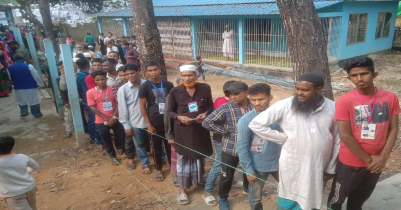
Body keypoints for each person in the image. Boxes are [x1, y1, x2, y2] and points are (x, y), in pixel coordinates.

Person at [249, 72, 340, 210]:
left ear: (318, 89)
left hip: (318, 165)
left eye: (305, 90)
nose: (299, 93)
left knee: (311, 198)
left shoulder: (332, 107)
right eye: (297, 88)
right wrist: (282, 138)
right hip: (292, 164)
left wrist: (331, 167)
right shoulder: (285, 105)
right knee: (289, 197)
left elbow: (338, 138)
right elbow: (255, 124)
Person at [327, 57, 400, 210]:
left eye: (364, 73)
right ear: (349, 78)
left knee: (359, 201)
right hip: (350, 162)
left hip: (377, 162)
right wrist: (369, 160)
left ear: (375, 74)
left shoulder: (390, 97)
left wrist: (383, 157)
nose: (359, 79)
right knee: (336, 200)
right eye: (354, 75)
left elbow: (393, 129)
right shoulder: (345, 101)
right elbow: (345, 135)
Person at [167, 65, 214, 205]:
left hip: (200, 129)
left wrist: (205, 114)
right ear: (180, 77)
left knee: (199, 156)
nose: (187, 78)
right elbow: (170, 112)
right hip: (183, 131)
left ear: (196, 75)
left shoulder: (205, 88)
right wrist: (179, 117)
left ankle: (197, 181)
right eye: (184, 76)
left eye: (190, 75)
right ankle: (182, 190)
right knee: (183, 159)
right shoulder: (174, 91)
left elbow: (210, 106)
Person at [202, 81, 252, 209]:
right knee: (226, 175)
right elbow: (207, 122)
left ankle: (248, 189)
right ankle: (223, 198)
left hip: (250, 148)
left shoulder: (254, 106)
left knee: (249, 170)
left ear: (246, 93)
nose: (232, 97)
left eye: (236, 94)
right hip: (230, 148)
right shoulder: (226, 107)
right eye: (230, 94)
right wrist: (225, 131)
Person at [236, 83, 281, 210]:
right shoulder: (245, 121)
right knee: (255, 197)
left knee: (289, 191)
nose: (257, 103)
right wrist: (249, 170)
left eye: (261, 99)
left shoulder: (280, 117)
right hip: (258, 166)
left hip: (280, 164)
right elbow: (242, 147)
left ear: (270, 97)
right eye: (253, 100)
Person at [139, 61, 174, 182]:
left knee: (171, 145)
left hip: (169, 120)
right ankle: (159, 169)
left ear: (159, 69)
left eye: (155, 69)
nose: (153, 72)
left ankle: (173, 168)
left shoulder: (168, 84)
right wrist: (149, 124)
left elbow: (174, 102)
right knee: (156, 146)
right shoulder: (144, 87)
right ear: (146, 72)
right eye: (150, 70)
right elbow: (143, 107)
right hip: (154, 120)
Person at [118, 64, 152, 172]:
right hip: (135, 121)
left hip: (151, 120)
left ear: (138, 72)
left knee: (155, 141)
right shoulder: (123, 89)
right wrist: (126, 125)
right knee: (139, 144)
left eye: (132, 73)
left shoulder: (147, 84)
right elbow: (122, 108)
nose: (129, 76)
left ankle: (161, 158)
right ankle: (145, 163)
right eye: (126, 74)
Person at [87, 70, 126, 165]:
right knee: (106, 139)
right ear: (94, 81)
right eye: (98, 80)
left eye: (102, 79)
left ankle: (126, 152)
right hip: (101, 121)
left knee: (122, 136)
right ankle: (113, 157)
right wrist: (107, 119)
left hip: (116, 118)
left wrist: (114, 116)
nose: (101, 82)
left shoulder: (112, 89)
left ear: (106, 79)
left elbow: (118, 102)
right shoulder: (90, 92)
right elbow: (93, 107)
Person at [0, 136, 39, 210]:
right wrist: (24, 171)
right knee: (33, 206)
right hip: (30, 188)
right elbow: (36, 166)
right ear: (13, 146)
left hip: (14, 194)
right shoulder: (22, 157)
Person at [8, 53, 44, 118]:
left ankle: (24, 112)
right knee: (34, 101)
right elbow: (36, 76)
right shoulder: (29, 66)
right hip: (30, 86)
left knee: (21, 100)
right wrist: (40, 84)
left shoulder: (9, 68)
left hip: (18, 87)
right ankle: (36, 114)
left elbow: (10, 78)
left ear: (14, 59)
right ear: (23, 59)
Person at [164, 75, 181, 186]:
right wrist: (169, 135)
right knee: (176, 154)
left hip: (191, 132)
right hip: (176, 130)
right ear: (179, 82)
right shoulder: (172, 95)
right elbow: (167, 116)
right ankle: (176, 175)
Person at [76, 58, 98, 145]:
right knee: (92, 118)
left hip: (85, 99)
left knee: (91, 118)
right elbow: (88, 91)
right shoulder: (85, 77)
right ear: (89, 66)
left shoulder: (80, 75)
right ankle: (93, 137)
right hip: (88, 101)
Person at [57, 61, 73, 138]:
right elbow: (62, 89)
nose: (61, 70)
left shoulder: (75, 74)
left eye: (62, 68)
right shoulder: (61, 77)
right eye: (59, 69)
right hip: (69, 99)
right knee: (68, 115)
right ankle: (68, 130)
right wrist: (65, 101)